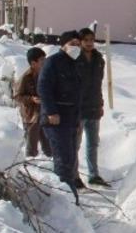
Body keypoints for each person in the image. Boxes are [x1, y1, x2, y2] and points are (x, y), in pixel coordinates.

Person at [38, 30, 84, 193]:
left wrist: (78, 120)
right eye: (72, 44)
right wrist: (51, 112)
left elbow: (77, 94)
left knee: (70, 160)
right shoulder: (53, 62)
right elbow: (43, 87)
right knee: (63, 161)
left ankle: (70, 199)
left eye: (78, 44)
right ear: (63, 45)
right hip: (56, 120)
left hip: (71, 120)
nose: (76, 47)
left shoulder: (76, 64)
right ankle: (65, 199)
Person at [76, 27, 109, 187]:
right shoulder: (75, 58)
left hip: (94, 106)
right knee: (75, 143)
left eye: (91, 40)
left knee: (93, 143)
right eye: (86, 40)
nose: (89, 43)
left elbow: (98, 84)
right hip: (78, 107)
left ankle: (93, 174)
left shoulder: (98, 59)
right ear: (80, 41)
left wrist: (100, 103)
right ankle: (74, 175)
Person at [14, 47, 50, 158]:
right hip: (31, 116)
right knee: (32, 145)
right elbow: (17, 96)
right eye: (42, 60)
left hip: (45, 113)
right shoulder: (25, 78)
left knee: (49, 143)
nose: (44, 62)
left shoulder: (47, 75)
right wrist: (31, 99)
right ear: (33, 63)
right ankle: (31, 167)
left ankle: (50, 163)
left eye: (45, 59)